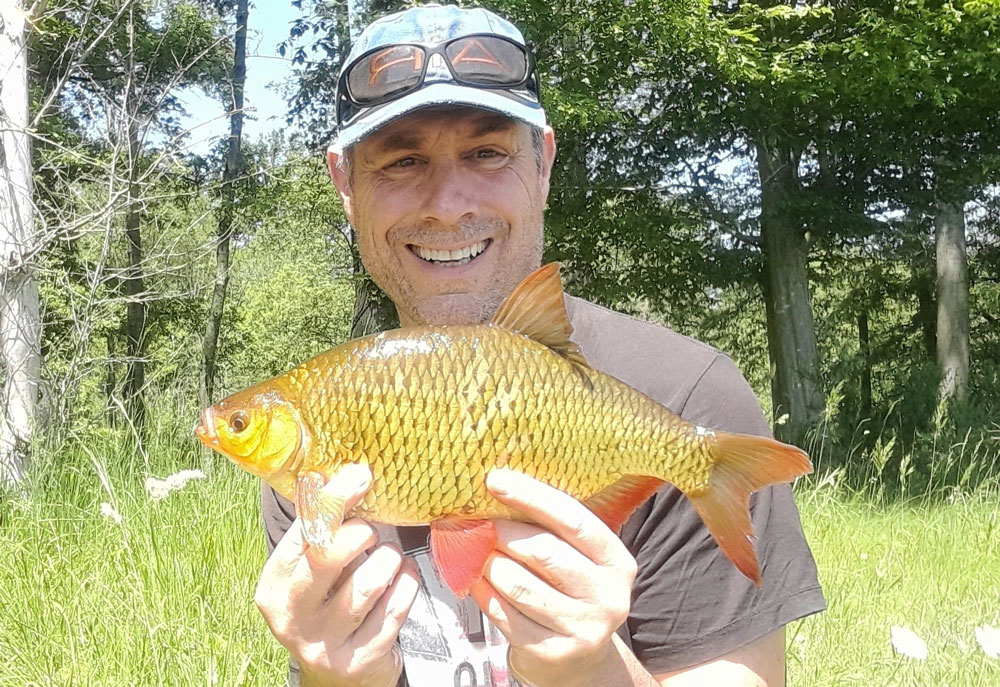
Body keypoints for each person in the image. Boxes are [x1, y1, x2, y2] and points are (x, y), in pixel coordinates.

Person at [255, 5, 826, 686]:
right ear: (344, 185)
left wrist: (592, 668)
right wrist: (337, 677)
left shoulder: (688, 397)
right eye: (403, 160)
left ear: (544, 162)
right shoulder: (325, 430)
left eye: (487, 152)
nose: (447, 203)